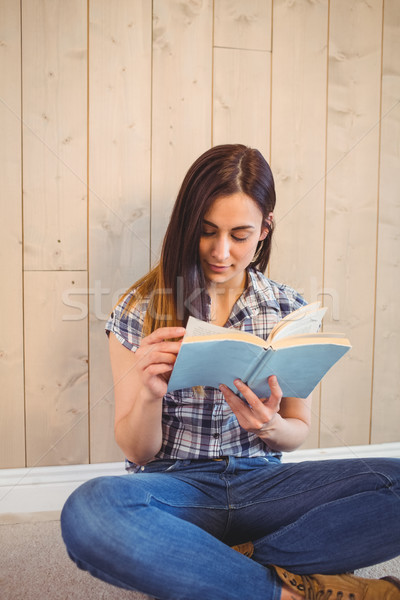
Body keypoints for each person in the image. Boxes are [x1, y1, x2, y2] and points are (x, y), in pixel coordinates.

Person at [61, 144, 400, 600]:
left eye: (239, 235)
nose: (221, 251)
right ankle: (289, 591)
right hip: (175, 488)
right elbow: (137, 451)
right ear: (187, 226)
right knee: (90, 511)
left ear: (265, 228)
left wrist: (271, 425)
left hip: (265, 485)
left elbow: (297, 429)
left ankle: (215, 568)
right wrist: (146, 393)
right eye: (207, 232)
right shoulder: (139, 306)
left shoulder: (288, 309)